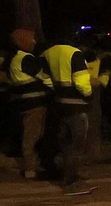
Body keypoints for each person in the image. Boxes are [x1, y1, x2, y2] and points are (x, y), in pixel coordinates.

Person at [40, 34, 96, 194]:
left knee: (64, 142)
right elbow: (81, 82)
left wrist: (57, 91)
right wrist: (89, 94)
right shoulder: (75, 54)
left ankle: (67, 175)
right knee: (77, 144)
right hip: (77, 105)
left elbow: (45, 78)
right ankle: (71, 181)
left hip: (59, 103)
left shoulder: (48, 53)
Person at [7, 27, 49, 178]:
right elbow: (44, 77)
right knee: (32, 137)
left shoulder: (15, 58)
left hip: (26, 103)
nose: (34, 41)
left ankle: (32, 167)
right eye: (32, 38)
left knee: (30, 135)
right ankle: (31, 168)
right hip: (34, 105)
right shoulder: (26, 58)